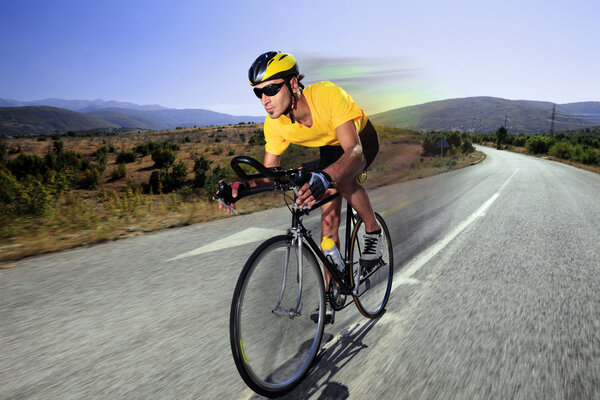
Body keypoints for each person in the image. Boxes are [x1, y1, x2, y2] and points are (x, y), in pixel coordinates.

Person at [217, 51, 382, 290]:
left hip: (359, 140)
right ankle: (330, 293)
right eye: (258, 92)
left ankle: (373, 229)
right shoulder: (274, 123)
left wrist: (326, 177)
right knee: (328, 224)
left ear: (293, 83)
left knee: (341, 182)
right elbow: (269, 173)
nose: (265, 99)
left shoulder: (327, 95)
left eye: (271, 89)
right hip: (330, 148)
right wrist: (241, 188)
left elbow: (355, 153)